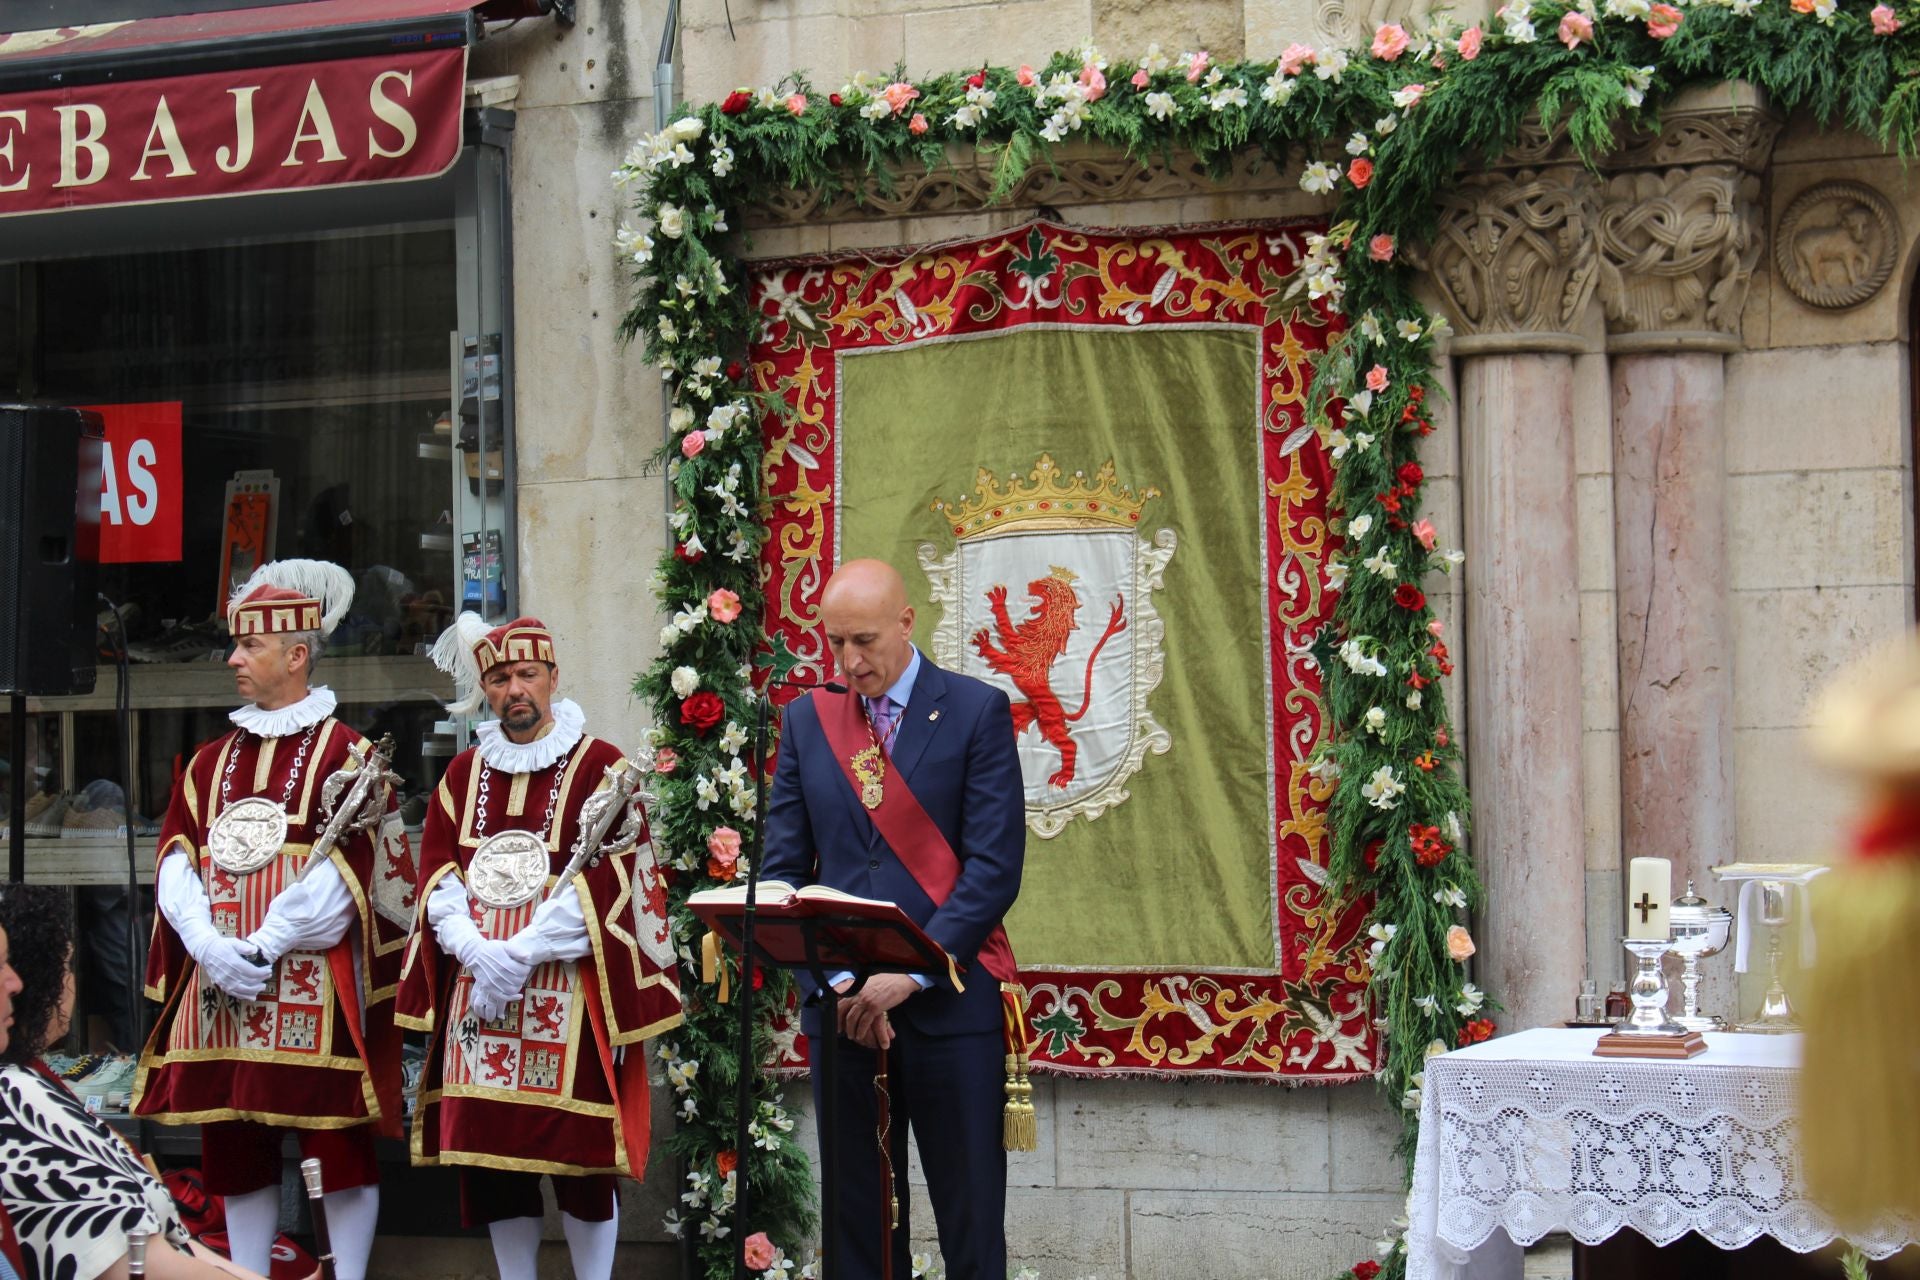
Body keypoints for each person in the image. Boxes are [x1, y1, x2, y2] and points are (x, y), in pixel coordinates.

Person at [760, 559, 1029, 1280]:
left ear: (908, 624)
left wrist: (908, 973)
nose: (849, 662)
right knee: (858, 1222)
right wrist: (846, 980)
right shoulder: (808, 722)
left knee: (969, 1212)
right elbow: (782, 869)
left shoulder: (976, 710)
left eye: (865, 642)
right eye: (835, 643)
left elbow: (994, 866)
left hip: (948, 1004)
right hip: (844, 1009)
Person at [134, 560, 402, 1280]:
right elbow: (175, 862)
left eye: (249, 647)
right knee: (234, 1141)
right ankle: (245, 1275)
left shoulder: (351, 756)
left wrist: (267, 940)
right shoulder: (207, 763)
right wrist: (206, 945)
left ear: (296, 655)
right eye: (236, 645)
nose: (233, 660)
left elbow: (360, 877)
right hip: (224, 980)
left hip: (312, 985)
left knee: (335, 1146)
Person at [396, 614, 681, 1280]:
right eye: (499, 678)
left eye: (527, 674)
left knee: (581, 1159)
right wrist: (474, 948)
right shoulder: (463, 774)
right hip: (480, 993)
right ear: (485, 689)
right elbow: (437, 874)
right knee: (494, 1163)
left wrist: (519, 953)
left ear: (553, 678)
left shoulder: (602, 765)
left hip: (567, 992)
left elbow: (621, 882)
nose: (514, 689)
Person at [0, 886, 263, 1280]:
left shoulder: (30, 1083)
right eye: (67, 966)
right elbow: (130, 1253)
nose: (14, 983)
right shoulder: (18, 1096)